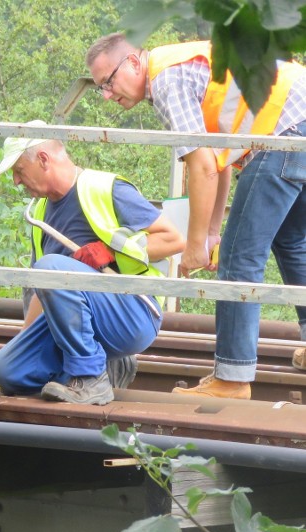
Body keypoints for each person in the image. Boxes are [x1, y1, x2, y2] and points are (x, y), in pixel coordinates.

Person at [85, 34, 306, 398]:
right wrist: (211, 233)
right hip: (297, 121)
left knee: (239, 260)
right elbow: (217, 162)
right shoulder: (178, 68)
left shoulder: (167, 79)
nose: (108, 95)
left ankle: (233, 380)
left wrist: (194, 246)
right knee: (292, 241)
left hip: (283, 131)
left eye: (108, 82)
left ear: (134, 64)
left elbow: (202, 165)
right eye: (101, 89)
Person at [0, 122, 185, 404]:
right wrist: (23, 343)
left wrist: (111, 252)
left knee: (52, 268)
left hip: (132, 312)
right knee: (7, 370)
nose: (16, 182)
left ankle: (91, 377)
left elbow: (174, 240)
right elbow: (42, 290)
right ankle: (93, 368)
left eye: (19, 171)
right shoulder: (41, 214)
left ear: (43, 160)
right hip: (78, 314)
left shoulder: (104, 188)